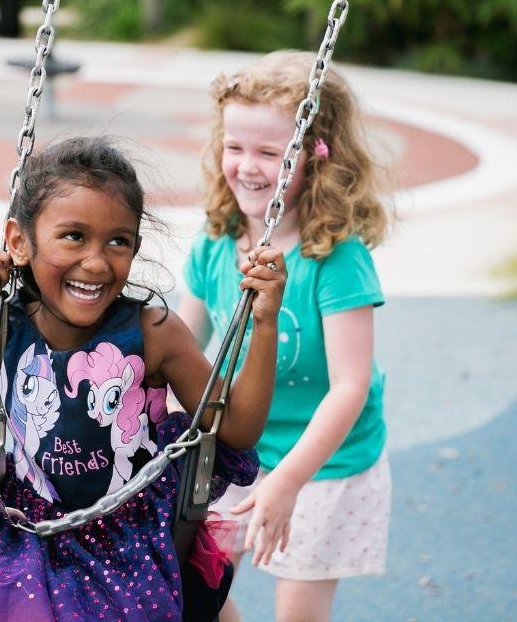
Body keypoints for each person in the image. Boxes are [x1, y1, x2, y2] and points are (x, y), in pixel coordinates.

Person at [0, 136, 288, 622]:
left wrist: (266, 322)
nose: (97, 262)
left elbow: (237, 431)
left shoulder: (153, 333)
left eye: (117, 241)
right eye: (73, 236)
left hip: (128, 542)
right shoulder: (7, 327)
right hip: (32, 532)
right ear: (20, 242)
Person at [179, 51, 392, 622]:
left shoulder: (335, 259)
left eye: (270, 153)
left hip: (326, 462)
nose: (248, 167)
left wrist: (291, 479)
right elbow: (181, 348)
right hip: (242, 449)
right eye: (235, 147)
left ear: (317, 158)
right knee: (190, 587)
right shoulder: (216, 240)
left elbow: (350, 385)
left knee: (297, 612)